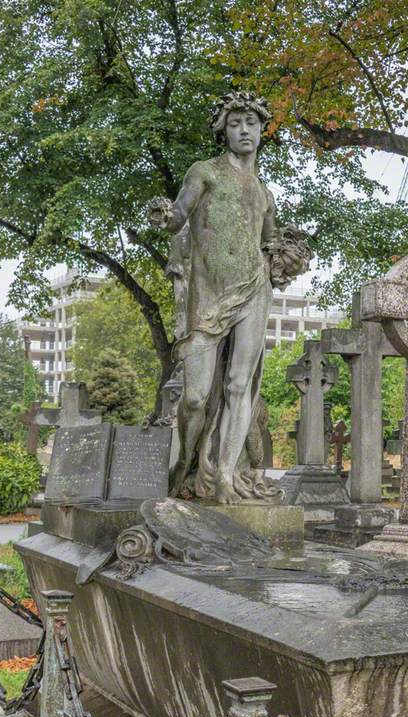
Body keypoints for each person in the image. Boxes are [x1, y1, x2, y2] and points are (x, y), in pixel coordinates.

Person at [148, 91, 309, 502]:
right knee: (197, 396)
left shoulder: (263, 191)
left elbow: (271, 245)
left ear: (261, 131)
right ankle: (183, 469)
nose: (244, 131)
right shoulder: (204, 172)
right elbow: (179, 215)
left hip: (254, 289)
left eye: (251, 124)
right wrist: (165, 215)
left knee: (241, 387)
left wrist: (289, 258)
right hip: (209, 295)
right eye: (235, 124)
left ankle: (224, 476)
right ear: (224, 129)